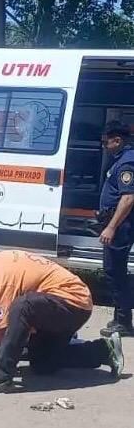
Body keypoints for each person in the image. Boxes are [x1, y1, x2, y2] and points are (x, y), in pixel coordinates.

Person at [0, 248, 124, 395]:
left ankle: (0, 376)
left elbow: (3, 329)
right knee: (43, 363)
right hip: (65, 305)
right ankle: (103, 350)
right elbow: (4, 310)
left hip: (72, 304)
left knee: (23, 306)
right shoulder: (0, 260)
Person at [97, 121, 134, 337]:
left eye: (105, 142)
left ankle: (124, 322)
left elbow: (128, 198)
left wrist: (111, 227)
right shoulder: (121, 160)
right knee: (115, 271)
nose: (104, 146)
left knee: (114, 271)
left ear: (117, 140)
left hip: (121, 227)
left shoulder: (126, 163)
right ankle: (120, 317)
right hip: (118, 224)